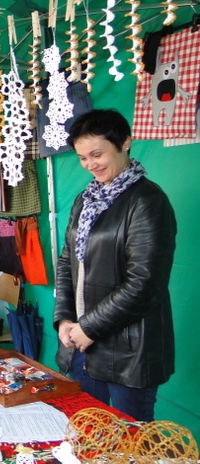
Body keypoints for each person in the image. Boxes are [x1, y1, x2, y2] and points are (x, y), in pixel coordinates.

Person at [53, 109, 177, 422]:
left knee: (128, 438)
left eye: (97, 154)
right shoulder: (85, 199)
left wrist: (89, 327)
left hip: (128, 352)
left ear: (124, 143)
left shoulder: (147, 201)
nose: (90, 164)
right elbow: (68, 261)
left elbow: (144, 284)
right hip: (81, 344)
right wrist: (64, 318)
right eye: (83, 158)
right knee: (86, 431)